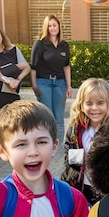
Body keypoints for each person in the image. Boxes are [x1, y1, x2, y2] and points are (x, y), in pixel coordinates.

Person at [61, 78, 109, 204]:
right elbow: (69, 157)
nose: (94, 108)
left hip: (108, 188)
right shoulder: (75, 129)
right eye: (89, 103)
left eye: (100, 103)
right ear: (81, 105)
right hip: (80, 186)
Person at [30, 14, 72, 144]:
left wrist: (69, 86)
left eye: (54, 25)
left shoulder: (64, 45)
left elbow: (66, 66)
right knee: (47, 115)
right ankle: (46, 143)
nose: (52, 28)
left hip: (60, 83)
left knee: (59, 117)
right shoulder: (39, 44)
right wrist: (34, 86)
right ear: (46, 27)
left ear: (59, 27)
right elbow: (33, 67)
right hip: (43, 83)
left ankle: (58, 146)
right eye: (49, 26)